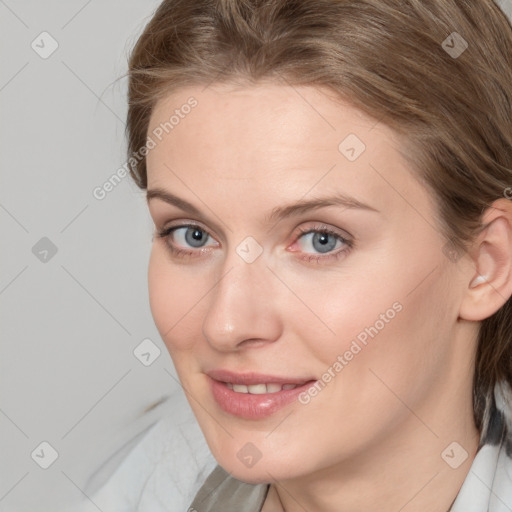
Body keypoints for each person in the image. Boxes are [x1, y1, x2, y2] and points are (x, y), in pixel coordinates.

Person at [88, 0, 512, 510]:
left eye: (320, 240)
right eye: (191, 235)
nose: (226, 324)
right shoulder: (148, 480)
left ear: (487, 264)